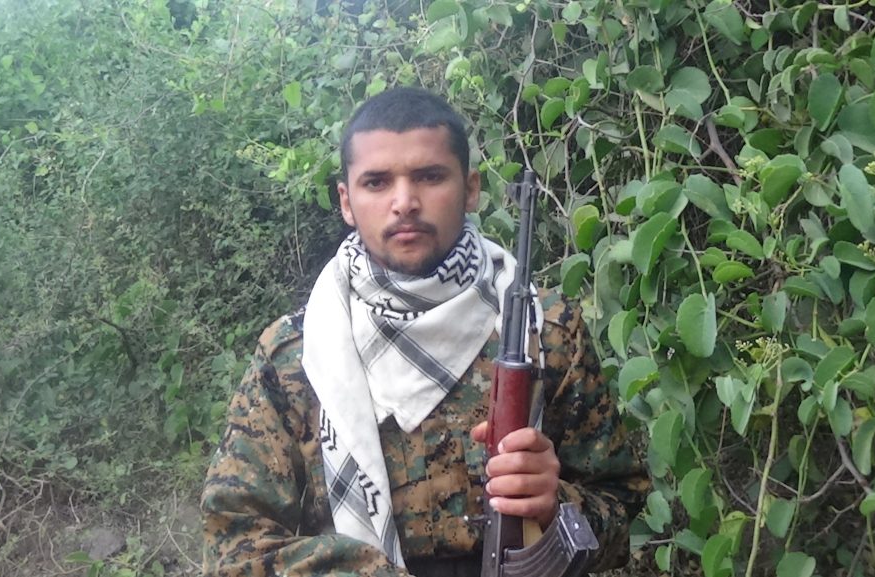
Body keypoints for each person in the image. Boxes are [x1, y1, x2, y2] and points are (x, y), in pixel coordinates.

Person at [200, 87, 648, 577]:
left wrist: (553, 505)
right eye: (376, 182)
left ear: (471, 189)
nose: (404, 203)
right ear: (347, 202)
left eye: (430, 177)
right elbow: (234, 543)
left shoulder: (546, 331)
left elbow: (620, 508)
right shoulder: (296, 353)